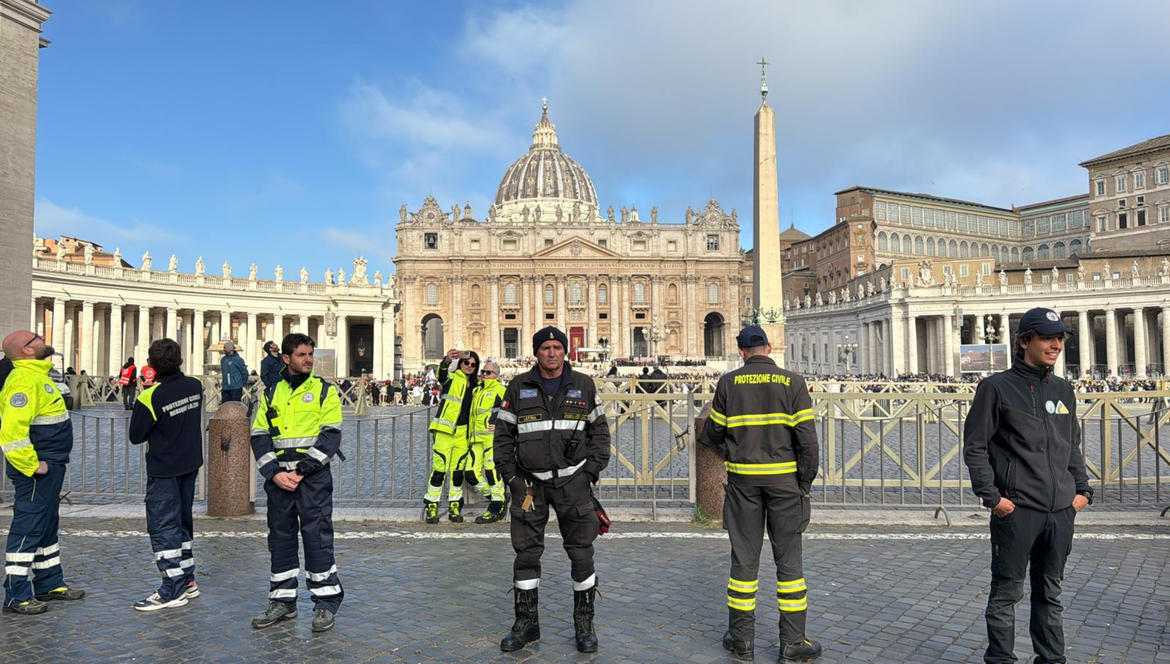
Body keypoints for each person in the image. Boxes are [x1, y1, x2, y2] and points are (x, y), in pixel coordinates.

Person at [963, 307, 1092, 664]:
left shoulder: (1063, 389)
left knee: (1050, 593)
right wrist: (993, 499)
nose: (1055, 345)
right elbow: (975, 446)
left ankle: (1051, 660)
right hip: (1017, 510)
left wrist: (1081, 493)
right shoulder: (995, 388)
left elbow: (1071, 445)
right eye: (1047, 338)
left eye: (1059, 339)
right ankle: (1001, 660)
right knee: (1006, 593)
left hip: (1060, 512)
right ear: (1024, 341)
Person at [699, 325, 821, 663]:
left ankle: (742, 641)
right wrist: (805, 484)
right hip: (785, 485)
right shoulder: (794, 382)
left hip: (743, 485)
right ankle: (792, 642)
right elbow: (808, 442)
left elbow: (712, 432)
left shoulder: (728, 383)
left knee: (744, 562)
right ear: (769, 348)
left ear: (741, 352)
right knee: (790, 564)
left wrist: (728, 448)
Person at [494, 326, 610, 653]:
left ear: (565, 351)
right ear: (536, 352)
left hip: (574, 481)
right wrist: (512, 478)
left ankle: (584, 624)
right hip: (530, 484)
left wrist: (590, 472)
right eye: (545, 347)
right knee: (526, 553)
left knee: (582, 552)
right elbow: (503, 437)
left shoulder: (583, 385)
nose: (552, 353)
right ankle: (526, 623)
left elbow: (600, 433)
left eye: (557, 347)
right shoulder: (518, 387)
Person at [249, 333, 344, 632]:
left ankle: (325, 603)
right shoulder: (270, 393)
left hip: (312, 480)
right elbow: (259, 435)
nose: (308, 359)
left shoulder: (324, 391)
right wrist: (275, 473)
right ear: (286, 358)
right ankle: (283, 601)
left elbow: (330, 436)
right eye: (302, 355)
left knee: (317, 538)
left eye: (310, 354)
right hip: (279, 481)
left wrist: (301, 471)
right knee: (280, 539)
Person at [1, 330, 85, 614]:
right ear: (25, 350)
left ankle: (49, 583)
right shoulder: (24, 381)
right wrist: (32, 465)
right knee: (29, 526)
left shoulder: (39, 376)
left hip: (53, 463)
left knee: (47, 525)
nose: (41, 339)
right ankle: (16, 594)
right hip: (39, 468)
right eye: (34, 338)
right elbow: (12, 432)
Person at [127, 339, 203, 611]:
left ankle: (172, 588)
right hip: (190, 463)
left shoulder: (149, 398)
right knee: (183, 520)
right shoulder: (195, 386)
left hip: (164, 468)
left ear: (151, 365)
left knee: (163, 526)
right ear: (181, 360)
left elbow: (135, 436)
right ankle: (188, 579)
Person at [422, 348, 480, 523]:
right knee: (439, 470)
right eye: (466, 363)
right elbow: (441, 374)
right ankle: (432, 504)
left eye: (473, 364)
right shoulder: (451, 378)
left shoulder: (477, 386)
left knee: (457, 472)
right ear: (460, 364)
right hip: (445, 431)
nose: (469, 366)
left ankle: (455, 505)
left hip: (463, 433)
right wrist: (446, 360)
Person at [469, 360, 507, 524]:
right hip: (475, 438)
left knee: (492, 471)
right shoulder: (477, 390)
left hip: (491, 438)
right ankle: (496, 497)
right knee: (470, 472)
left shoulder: (502, 390)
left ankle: (497, 505)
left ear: (497, 376)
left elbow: (508, 411)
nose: (484, 374)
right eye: (483, 372)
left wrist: (498, 424)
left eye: (488, 372)